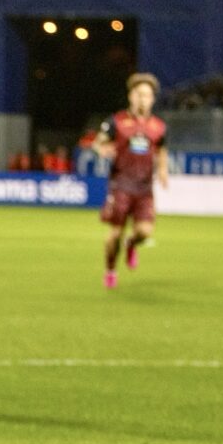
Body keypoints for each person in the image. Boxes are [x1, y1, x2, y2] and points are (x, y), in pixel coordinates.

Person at [95, 72, 168, 289]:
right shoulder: (117, 122)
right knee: (115, 234)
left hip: (144, 188)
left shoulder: (158, 126)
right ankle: (110, 270)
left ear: (152, 99)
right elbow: (98, 142)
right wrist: (102, 148)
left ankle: (131, 243)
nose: (143, 99)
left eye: (147, 95)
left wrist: (162, 170)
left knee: (144, 232)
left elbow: (162, 149)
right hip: (121, 186)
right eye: (139, 94)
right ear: (131, 96)